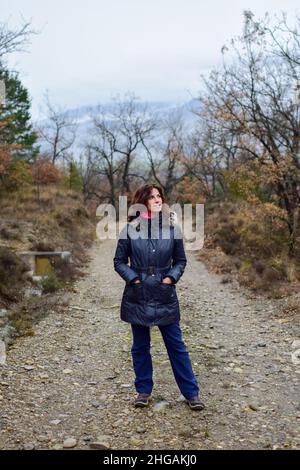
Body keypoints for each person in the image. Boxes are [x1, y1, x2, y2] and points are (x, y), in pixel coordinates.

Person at [113, 184, 204, 411]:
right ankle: (143, 391)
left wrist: (170, 278)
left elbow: (181, 261)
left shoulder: (172, 229)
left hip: (164, 294)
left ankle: (191, 394)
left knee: (176, 345)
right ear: (142, 201)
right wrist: (134, 279)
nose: (157, 199)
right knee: (140, 346)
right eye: (152, 197)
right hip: (138, 293)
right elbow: (119, 261)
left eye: (159, 196)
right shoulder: (130, 229)